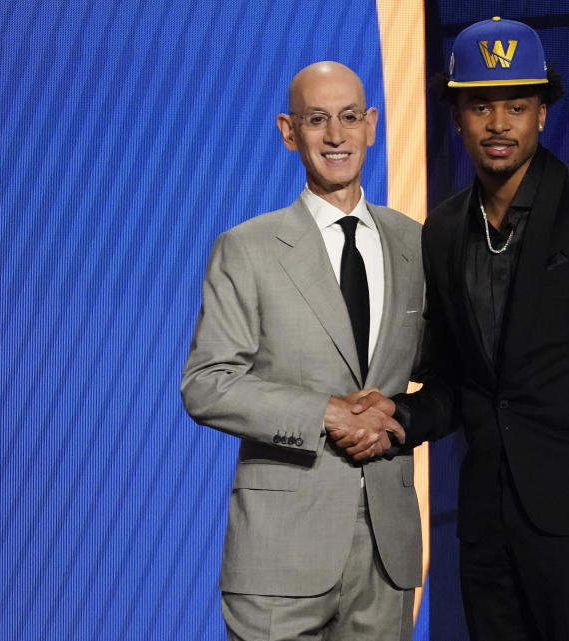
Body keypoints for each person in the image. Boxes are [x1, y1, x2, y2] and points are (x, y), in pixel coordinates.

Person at [356, 17, 569, 641]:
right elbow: (457, 383)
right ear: (456, 118)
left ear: (542, 116)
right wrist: (394, 417)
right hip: (485, 534)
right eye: (480, 106)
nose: (499, 124)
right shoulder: (444, 230)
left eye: (517, 106)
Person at [181, 61, 424, 641]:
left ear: (372, 125)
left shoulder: (415, 242)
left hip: (387, 554)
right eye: (317, 120)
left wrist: (400, 417)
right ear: (289, 132)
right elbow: (208, 382)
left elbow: (448, 372)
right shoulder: (247, 248)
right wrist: (325, 413)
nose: (335, 136)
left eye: (347, 118)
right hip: (278, 554)